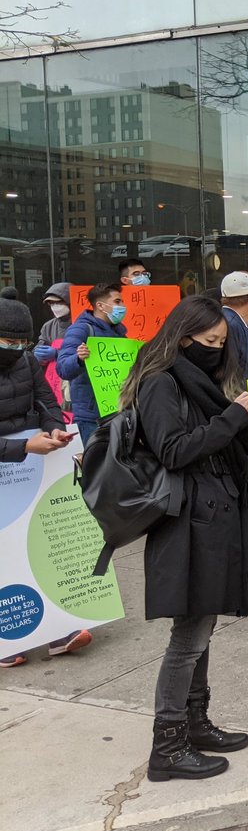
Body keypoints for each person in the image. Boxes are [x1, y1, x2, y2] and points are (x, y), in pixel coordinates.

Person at [118, 295, 248, 781]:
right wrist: (233, 416)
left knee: (201, 630)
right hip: (187, 521)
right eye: (209, 341)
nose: (217, 349)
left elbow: (225, 445)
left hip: (213, 514)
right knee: (188, 638)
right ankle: (167, 745)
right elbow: (174, 450)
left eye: (222, 342)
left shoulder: (198, 382)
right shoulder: (161, 382)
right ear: (183, 338)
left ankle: (194, 722)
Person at [0, 287, 90, 669]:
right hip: (16, 456)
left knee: (38, 545)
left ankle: (57, 629)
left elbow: (47, 401)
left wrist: (55, 429)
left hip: (32, 462)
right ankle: (8, 639)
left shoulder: (27, 361)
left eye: (21, 342)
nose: (16, 348)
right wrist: (22, 447)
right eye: (8, 341)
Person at [56, 283, 128, 445]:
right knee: (97, 459)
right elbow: (62, 368)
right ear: (100, 306)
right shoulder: (80, 330)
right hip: (92, 416)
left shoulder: (120, 333)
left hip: (117, 410)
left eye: (122, 301)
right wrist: (78, 359)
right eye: (117, 301)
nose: (122, 306)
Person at [32, 282, 73, 417]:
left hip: (76, 381)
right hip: (54, 380)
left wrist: (58, 353)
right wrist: (38, 355)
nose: (55, 307)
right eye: (51, 303)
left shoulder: (83, 323)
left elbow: (88, 353)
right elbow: (41, 343)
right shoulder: (48, 326)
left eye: (59, 302)